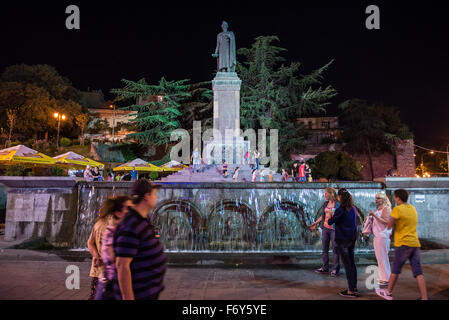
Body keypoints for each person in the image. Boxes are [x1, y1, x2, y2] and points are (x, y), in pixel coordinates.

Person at [113, 179, 167, 300]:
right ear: (146, 196)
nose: (156, 197)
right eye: (153, 194)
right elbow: (122, 265)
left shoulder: (140, 220)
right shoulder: (131, 224)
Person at [376, 189, 428, 300]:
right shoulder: (412, 208)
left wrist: (392, 232)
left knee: (395, 270)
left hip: (403, 244)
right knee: (418, 272)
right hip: (415, 243)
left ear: (398, 198)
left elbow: (389, 225)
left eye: (395, 197)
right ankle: (424, 297)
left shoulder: (397, 209)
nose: (394, 199)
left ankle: (388, 293)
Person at [94, 196, 131, 300]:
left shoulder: (114, 231)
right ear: (118, 213)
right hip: (113, 289)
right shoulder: (115, 234)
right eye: (128, 208)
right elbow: (120, 265)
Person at [327, 188, 359, 298]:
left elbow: (331, 222)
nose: (337, 198)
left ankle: (351, 290)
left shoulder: (341, 209)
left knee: (347, 265)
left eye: (338, 197)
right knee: (352, 263)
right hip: (351, 239)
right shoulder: (353, 208)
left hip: (343, 240)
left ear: (340, 197)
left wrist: (331, 214)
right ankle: (354, 287)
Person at [87, 197, 118, 299]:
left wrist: (96, 255)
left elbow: (90, 243)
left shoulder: (98, 223)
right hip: (110, 271)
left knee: (95, 295)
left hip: (97, 270)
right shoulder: (114, 224)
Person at [310, 188, 341, 277]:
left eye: (326, 193)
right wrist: (316, 222)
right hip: (325, 228)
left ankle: (336, 269)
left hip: (334, 229)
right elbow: (323, 215)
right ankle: (325, 267)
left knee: (335, 249)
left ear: (331, 194)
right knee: (324, 249)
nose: (325, 195)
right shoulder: (325, 204)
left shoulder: (337, 204)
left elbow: (340, 215)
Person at [369, 193, 392, 287]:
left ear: (384, 199)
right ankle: (384, 277)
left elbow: (387, 222)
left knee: (383, 258)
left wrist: (374, 215)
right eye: (376, 198)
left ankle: (386, 279)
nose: (376, 200)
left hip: (382, 236)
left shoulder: (386, 208)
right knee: (380, 258)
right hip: (378, 235)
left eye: (378, 198)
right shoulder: (379, 208)